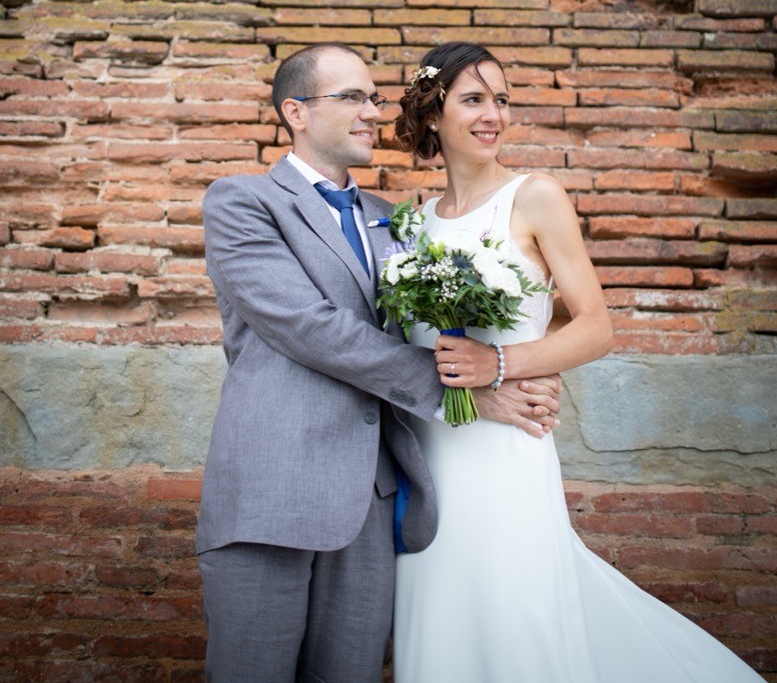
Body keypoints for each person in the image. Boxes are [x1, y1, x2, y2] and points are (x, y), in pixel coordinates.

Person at [392, 40, 764, 683]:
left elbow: (595, 326)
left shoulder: (535, 196)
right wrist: (464, 377)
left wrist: (500, 362)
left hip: (507, 447)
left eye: (502, 100)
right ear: (432, 114)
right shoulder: (414, 225)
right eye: (474, 99)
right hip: (432, 451)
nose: (494, 115)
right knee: (441, 611)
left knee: (521, 608)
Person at [196, 41, 564, 683]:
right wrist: (466, 391)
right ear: (296, 112)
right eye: (351, 97)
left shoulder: (398, 224)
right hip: (271, 495)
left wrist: (523, 366)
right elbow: (311, 328)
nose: (373, 112)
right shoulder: (242, 202)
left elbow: (461, 321)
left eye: (374, 98)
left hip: (373, 505)